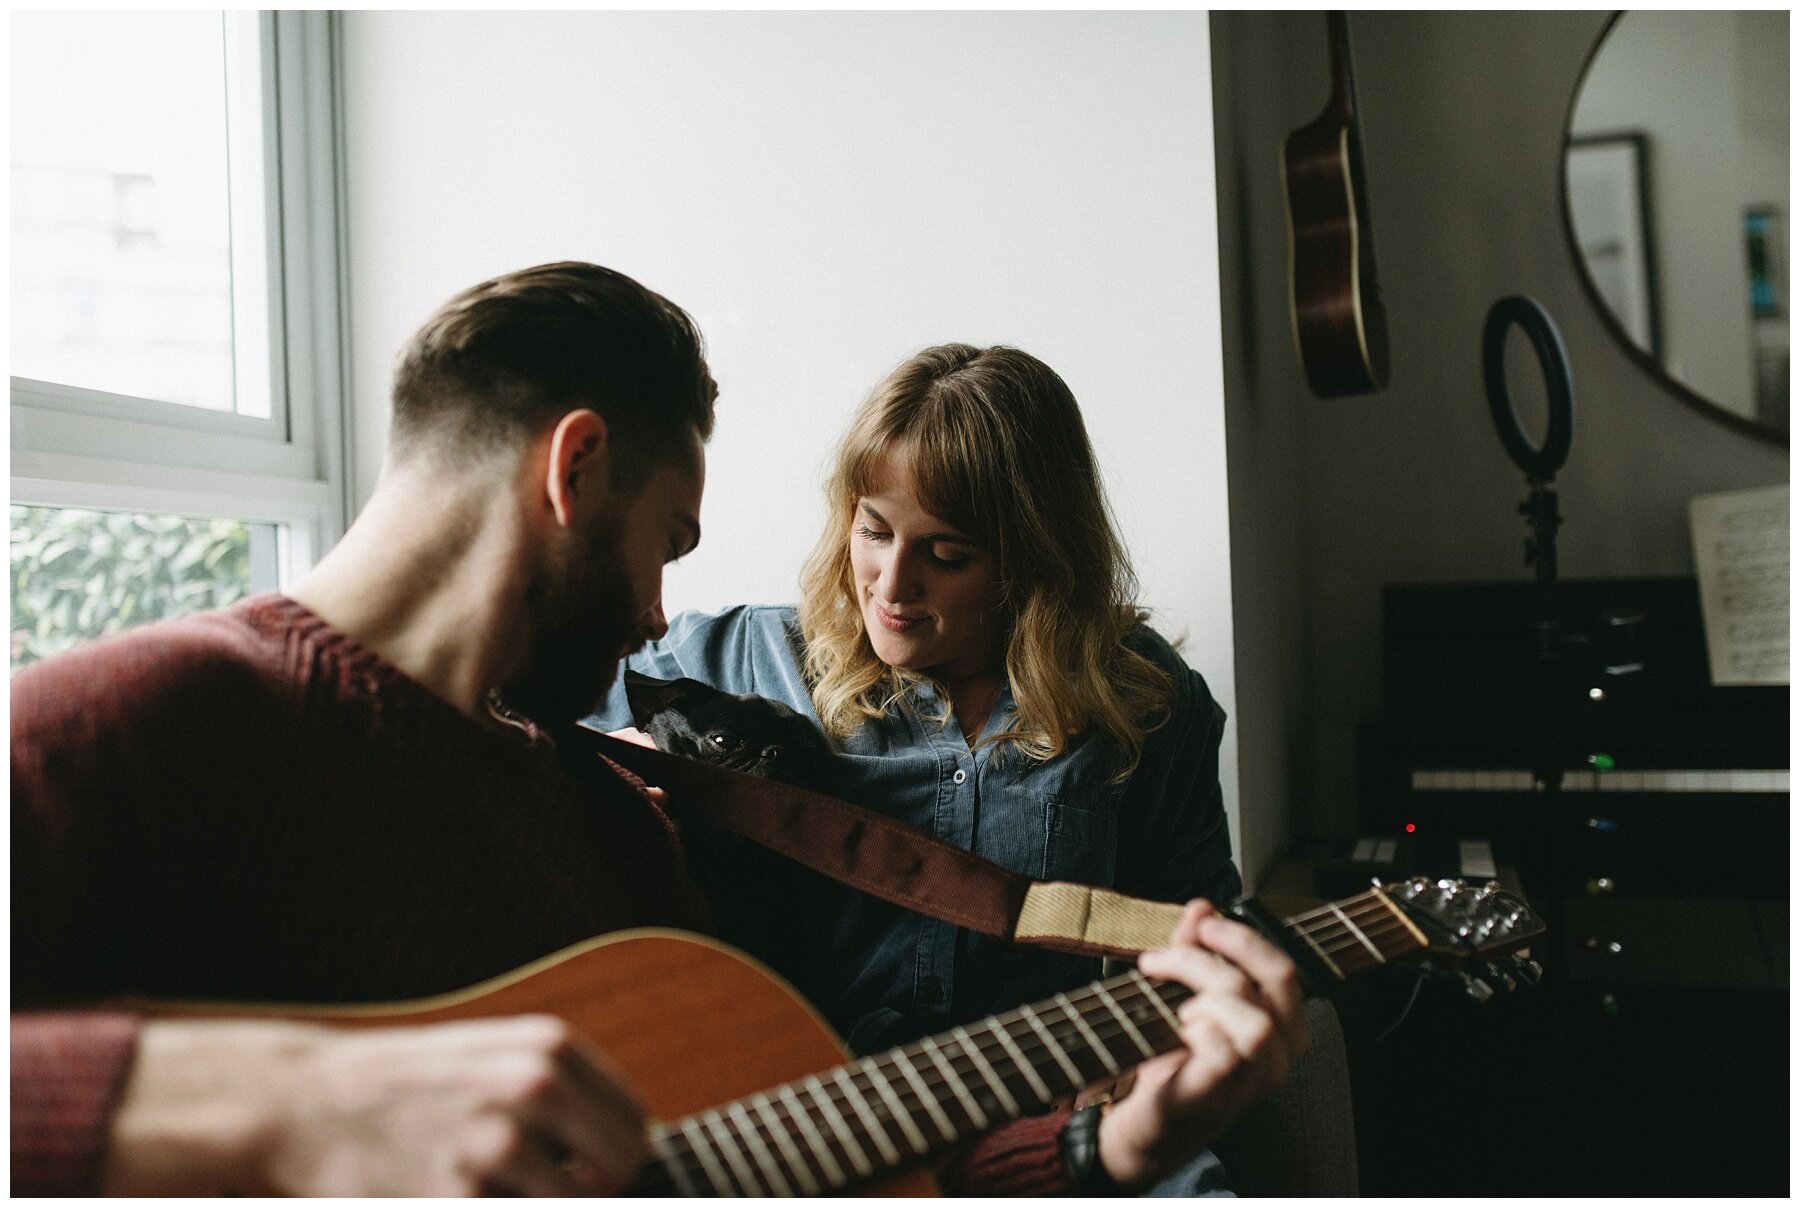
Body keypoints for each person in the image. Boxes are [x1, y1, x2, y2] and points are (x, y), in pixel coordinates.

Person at [12, 265, 1305, 1196]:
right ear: (573, 474)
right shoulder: (153, 720)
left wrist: (1107, 1147)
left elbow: (794, 1147)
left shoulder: (607, 835)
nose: (657, 615)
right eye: (663, 547)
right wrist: (281, 1113)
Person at [587, 343, 1256, 1190]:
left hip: (1053, 1119)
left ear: (1034, 563)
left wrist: (1155, 1046)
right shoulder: (747, 657)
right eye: (874, 531)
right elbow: (521, 721)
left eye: (946, 555)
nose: (891, 585)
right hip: (815, 1131)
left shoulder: (1144, 702)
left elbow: (1192, 928)